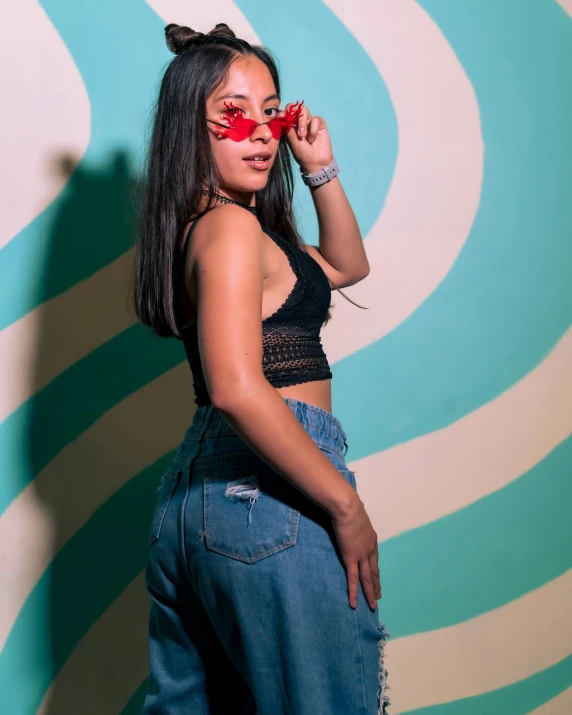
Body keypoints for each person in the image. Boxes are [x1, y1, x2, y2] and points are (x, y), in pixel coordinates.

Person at [134, 21, 390, 715]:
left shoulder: (216, 226)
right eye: (233, 113)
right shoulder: (230, 228)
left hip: (196, 500)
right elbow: (239, 387)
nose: (258, 130)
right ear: (192, 128)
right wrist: (343, 503)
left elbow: (344, 265)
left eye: (269, 110)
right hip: (270, 489)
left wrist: (318, 165)